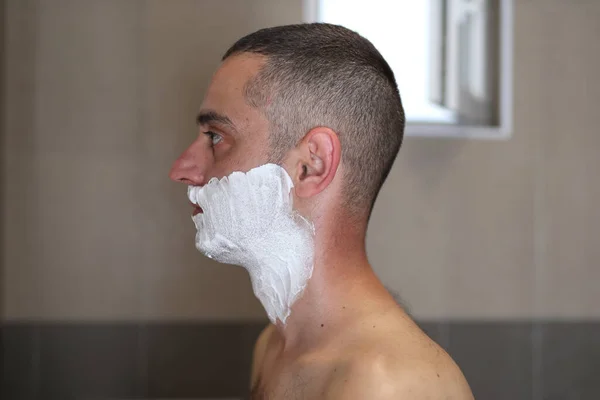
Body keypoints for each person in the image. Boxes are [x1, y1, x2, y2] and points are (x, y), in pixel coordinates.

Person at [170, 23, 474, 400]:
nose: (183, 168)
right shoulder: (274, 346)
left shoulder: (392, 383)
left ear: (311, 166)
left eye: (216, 136)